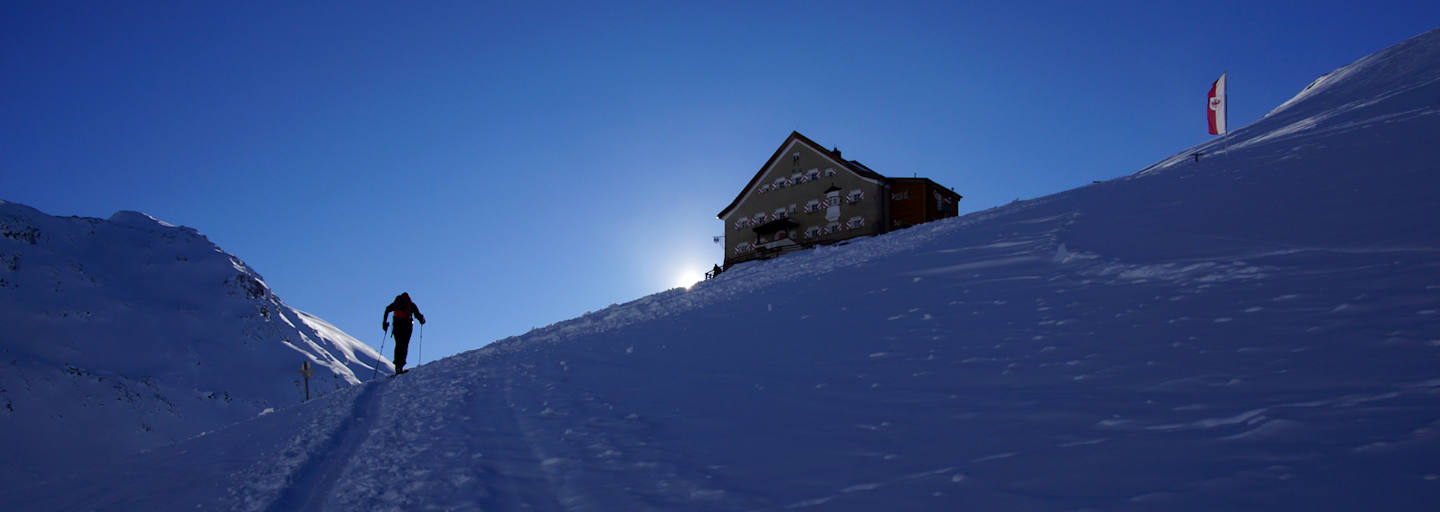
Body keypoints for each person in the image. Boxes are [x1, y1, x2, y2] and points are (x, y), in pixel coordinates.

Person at [382, 292, 426, 374]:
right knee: (404, 345)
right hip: (407, 327)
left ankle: (397, 366)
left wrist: (384, 323)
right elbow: (418, 315)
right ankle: (401, 366)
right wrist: (422, 320)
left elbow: (387, 309)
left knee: (398, 344)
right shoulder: (411, 305)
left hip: (397, 326)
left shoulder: (396, 304)